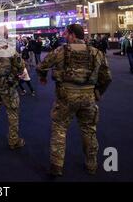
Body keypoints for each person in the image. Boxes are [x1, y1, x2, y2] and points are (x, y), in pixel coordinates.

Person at [37, 24, 112, 176]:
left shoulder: (60, 51)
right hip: (88, 97)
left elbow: (42, 66)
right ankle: (91, 164)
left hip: (65, 97)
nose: (65, 36)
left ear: (72, 35)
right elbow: (107, 77)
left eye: (67, 34)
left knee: (59, 128)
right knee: (88, 130)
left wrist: (43, 77)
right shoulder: (96, 53)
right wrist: (98, 92)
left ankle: (56, 166)